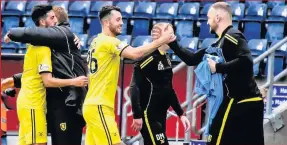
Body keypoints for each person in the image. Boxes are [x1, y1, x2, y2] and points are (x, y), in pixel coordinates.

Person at [153, 2, 264, 145]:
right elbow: (191, 59)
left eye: (209, 18)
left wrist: (218, 67)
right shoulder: (217, 44)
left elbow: (246, 61)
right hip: (241, 102)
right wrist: (172, 41)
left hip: (242, 102)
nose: (207, 22)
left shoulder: (233, 35)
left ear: (218, 17)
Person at [83, 5, 174, 145]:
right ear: (106, 22)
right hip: (99, 106)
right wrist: (161, 40)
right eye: (118, 19)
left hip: (92, 105)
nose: (122, 23)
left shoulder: (96, 41)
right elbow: (135, 54)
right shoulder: (109, 41)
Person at [2, 5, 88, 145]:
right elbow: (47, 81)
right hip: (33, 103)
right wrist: (74, 81)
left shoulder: (33, 45)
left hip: (27, 102)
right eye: (52, 18)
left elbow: (26, 76)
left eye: (56, 18)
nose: (55, 23)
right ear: (43, 22)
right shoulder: (43, 49)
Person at [129, 23, 190, 145]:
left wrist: (181, 114)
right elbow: (134, 86)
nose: (173, 37)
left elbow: (168, 88)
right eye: (170, 33)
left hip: (161, 113)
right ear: (159, 35)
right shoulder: (147, 57)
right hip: (148, 114)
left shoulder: (166, 57)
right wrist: (137, 114)